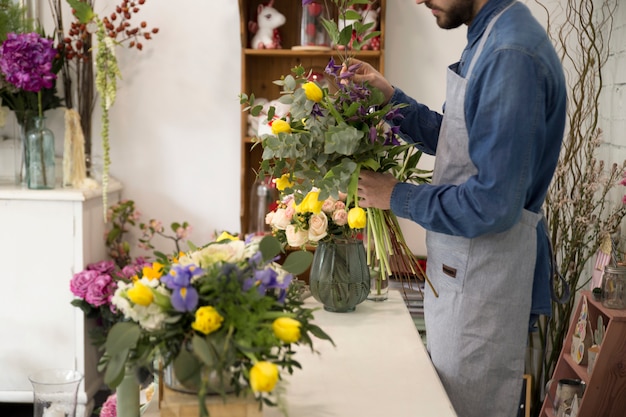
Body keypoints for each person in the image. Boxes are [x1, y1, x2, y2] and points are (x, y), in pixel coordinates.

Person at [352, 1, 567, 416]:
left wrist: (394, 194)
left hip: (483, 282)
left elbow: (493, 204)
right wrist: (391, 99)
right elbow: (460, 143)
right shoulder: (491, 37)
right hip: (467, 275)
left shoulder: (510, 56)